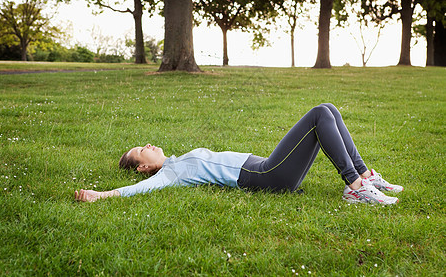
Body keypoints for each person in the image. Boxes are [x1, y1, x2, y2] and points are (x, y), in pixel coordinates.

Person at [75, 103, 403, 204]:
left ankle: (362, 176)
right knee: (319, 114)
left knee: (328, 109)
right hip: (263, 174)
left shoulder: (178, 161)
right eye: (140, 151)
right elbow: (141, 189)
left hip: (262, 165)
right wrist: (101, 195)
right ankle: (355, 186)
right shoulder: (170, 173)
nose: (147, 145)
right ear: (143, 167)